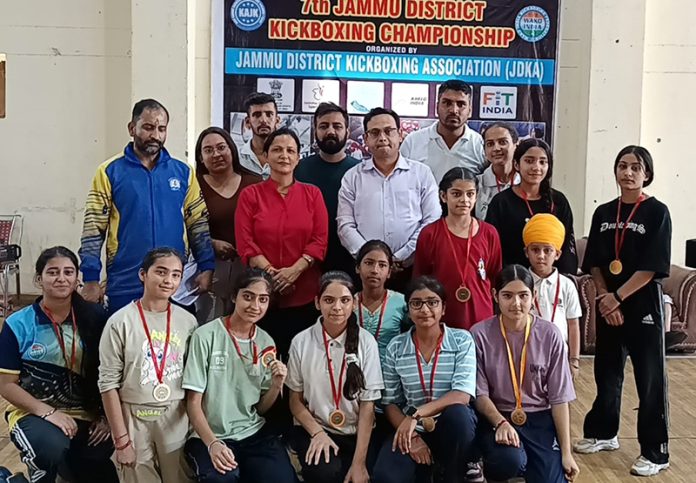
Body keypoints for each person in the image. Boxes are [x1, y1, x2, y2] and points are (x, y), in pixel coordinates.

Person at [573, 146, 671, 477]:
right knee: (607, 372)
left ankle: (656, 452)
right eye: (622, 166)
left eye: (635, 167)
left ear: (647, 174)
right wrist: (604, 297)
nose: (628, 172)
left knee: (650, 379)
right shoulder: (604, 212)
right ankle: (603, 433)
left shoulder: (657, 212)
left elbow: (651, 267)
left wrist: (617, 297)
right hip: (608, 303)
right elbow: (597, 262)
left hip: (642, 305)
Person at [78, 98, 214, 314]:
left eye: (161, 129)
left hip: (174, 285)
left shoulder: (184, 172)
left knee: (174, 345)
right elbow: (93, 229)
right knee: (125, 345)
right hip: (125, 281)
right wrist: (91, 278)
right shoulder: (109, 171)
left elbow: (198, 223)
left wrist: (207, 267)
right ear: (132, 128)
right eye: (148, 127)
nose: (155, 135)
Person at [0, 247, 118, 483]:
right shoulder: (19, 323)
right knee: (50, 446)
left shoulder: (97, 318)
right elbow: (5, 384)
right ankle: (26, 475)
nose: (61, 278)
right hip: (33, 412)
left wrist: (106, 417)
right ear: (39, 279)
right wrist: (49, 413)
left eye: (68, 272)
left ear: (77, 279)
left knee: (100, 464)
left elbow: (112, 372)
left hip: (86, 415)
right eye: (53, 272)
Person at [182, 268, 298, 482]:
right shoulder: (205, 336)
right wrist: (213, 444)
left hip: (253, 433)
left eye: (263, 299)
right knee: (222, 479)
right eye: (248, 296)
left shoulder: (266, 342)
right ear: (235, 296)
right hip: (210, 435)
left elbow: (260, 408)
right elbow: (193, 403)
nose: (255, 306)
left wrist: (276, 385)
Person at [471, 265, 579, 483]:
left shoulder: (550, 335)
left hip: (539, 419)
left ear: (534, 296)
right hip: (498, 416)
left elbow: (559, 399)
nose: (516, 303)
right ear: (495, 296)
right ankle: (494, 466)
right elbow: (480, 395)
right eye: (507, 296)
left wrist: (567, 454)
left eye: (523, 295)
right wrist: (499, 422)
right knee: (507, 462)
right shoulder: (479, 334)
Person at [98, 248, 198, 483]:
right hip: (133, 415)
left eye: (175, 275)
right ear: (143, 274)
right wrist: (121, 440)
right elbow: (108, 384)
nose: (168, 281)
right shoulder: (120, 322)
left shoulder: (188, 322)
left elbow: (195, 378)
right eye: (161, 272)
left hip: (176, 415)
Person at [372, 276, 478, 483]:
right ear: (409, 310)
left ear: (444, 308)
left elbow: (462, 395)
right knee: (386, 477)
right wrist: (412, 437)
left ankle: (453, 472)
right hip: (412, 428)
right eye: (416, 303)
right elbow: (391, 402)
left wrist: (416, 414)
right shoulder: (396, 346)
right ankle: (425, 469)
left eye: (432, 302)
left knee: (459, 416)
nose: (425, 309)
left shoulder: (462, 340)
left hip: (450, 427)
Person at [235, 127, 328, 359]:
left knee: (302, 363)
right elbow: (245, 242)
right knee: (263, 362)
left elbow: (320, 240)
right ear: (265, 156)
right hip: (262, 296)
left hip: (305, 293)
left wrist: (294, 271)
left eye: (290, 150)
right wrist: (272, 276)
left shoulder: (312, 194)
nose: (283, 155)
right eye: (276, 150)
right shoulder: (250, 195)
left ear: (298, 158)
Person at [286, 271, 384, 483]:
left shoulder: (366, 343)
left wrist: (359, 463)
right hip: (317, 427)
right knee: (325, 474)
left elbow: (368, 407)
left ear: (354, 302)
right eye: (329, 300)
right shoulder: (301, 341)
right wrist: (317, 433)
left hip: (358, 432)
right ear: (317, 303)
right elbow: (295, 400)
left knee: (367, 476)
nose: (337, 307)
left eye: (344, 300)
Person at [337, 107, 440, 291]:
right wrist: (371, 259)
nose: (382, 138)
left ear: (400, 134)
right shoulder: (352, 177)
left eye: (388, 131)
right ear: (366, 139)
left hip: (411, 269)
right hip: (368, 273)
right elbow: (345, 224)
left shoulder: (421, 173)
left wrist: (402, 256)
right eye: (375, 133)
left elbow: (431, 220)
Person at [414, 168, 502, 330]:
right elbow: (421, 280)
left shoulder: (489, 233)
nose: (464, 200)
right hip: (441, 319)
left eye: (470, 194)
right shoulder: (429, 234)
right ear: (443, 196)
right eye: (456, 194)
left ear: (476, 196)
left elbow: (495, 277)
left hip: (482, 318)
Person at [195, 126, 262, 320]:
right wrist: (211, 243)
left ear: (232, 149)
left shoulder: (255, 183)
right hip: (209, 268)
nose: (216, 154)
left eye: (221, 147)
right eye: (208, 150)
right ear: (201, 157)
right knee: (210, 325)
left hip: (249, 266)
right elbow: (185, 226)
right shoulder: (194, 186)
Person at [485, 138, 578, 274]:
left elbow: (568, 247)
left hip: (551, 282)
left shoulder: (558, 201)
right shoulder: (501, 202)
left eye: (542, 162)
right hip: (513, 282)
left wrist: (563, 280)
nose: (536, 167)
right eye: (529, 161)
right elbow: (493, 248)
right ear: (516, 164)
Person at [295, 102, 361, 274]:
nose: (330, 131)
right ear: (315, 131)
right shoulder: (298, 169)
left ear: (347, 132)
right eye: (323, 126)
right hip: (306, 261)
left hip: (351, 260)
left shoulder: (360, 172)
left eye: (337, 126)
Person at [523, 214, 582, 379]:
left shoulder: (567, 285)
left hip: (559, 356)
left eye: (547, 250)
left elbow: (573, 325)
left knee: (559, 401)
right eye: (535, 250)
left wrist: (574, 360)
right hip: (526, 355)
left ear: (557, 254)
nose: (541, 256)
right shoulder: (520, 284)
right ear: (526, 252)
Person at [400, 80, 486, 183]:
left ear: (470, 110)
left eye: (461, 104)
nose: (454, 110)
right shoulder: (412, 142)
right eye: (447, 103)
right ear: (437, 107)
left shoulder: (480, 145)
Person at [353, 240, 408, 364]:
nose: (375, 270)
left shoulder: (402, 303)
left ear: (389, 272)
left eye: (382, 265)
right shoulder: (347, 303)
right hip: (355, 372)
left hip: (391, 372)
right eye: (369, 263)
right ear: (358, 268)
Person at [476, 121, 521, 220]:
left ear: (516, 145)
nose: (496, 148)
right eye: (490, 144)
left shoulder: (526, 183)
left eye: (502, 142)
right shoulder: (476, 185)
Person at [239, 92, 281, 178]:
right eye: (257, 115)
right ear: (247, 122)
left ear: (277, 121)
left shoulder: (288, 157)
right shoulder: (237, 158)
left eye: (269, 114)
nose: (263, 120)